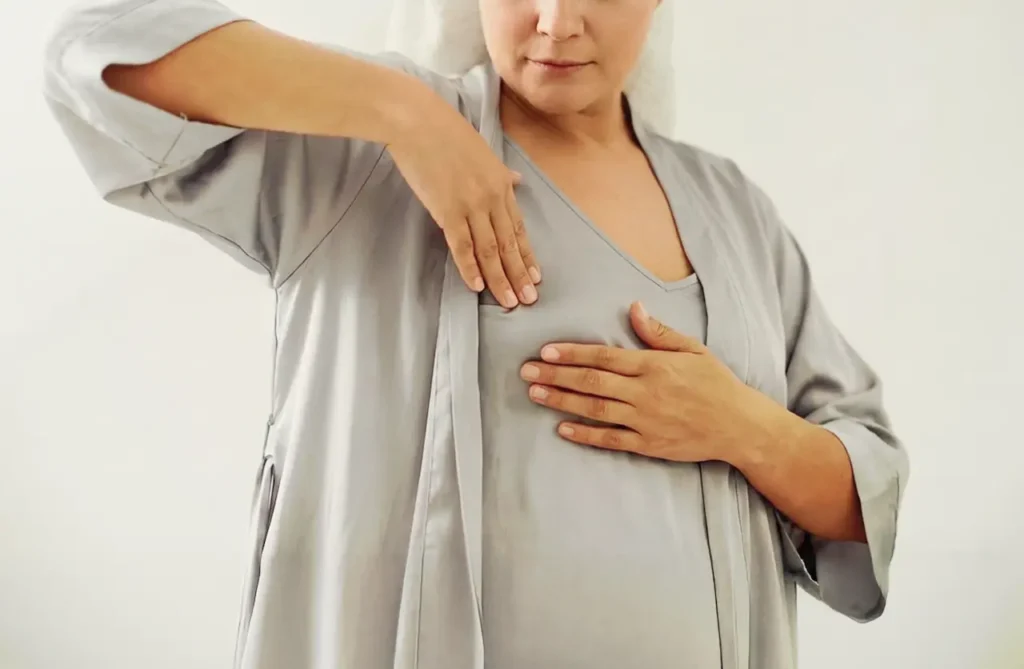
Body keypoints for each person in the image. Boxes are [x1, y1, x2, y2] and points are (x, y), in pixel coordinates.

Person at [42, 1, 909, 668]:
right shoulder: (362, 158)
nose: (556, 21)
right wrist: (403, 112)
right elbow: (91, 58)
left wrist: (741, 426)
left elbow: (861, 500)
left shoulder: (738, 216)